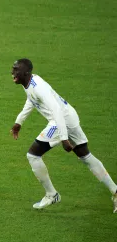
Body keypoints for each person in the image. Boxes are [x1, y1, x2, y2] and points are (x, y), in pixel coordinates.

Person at [10, 58, 117, 212]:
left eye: (16, 70)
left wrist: (63, 137)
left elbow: (56, 110)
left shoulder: (39, 87)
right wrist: (19, 122)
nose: (12, 72)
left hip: (60, 120)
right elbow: (31, 99)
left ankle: (52, 194)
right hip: (69, 117)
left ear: (26, 73)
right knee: (85, 156)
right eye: (13, 69)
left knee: (33, 155)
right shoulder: (30, 83)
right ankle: (115, 191)